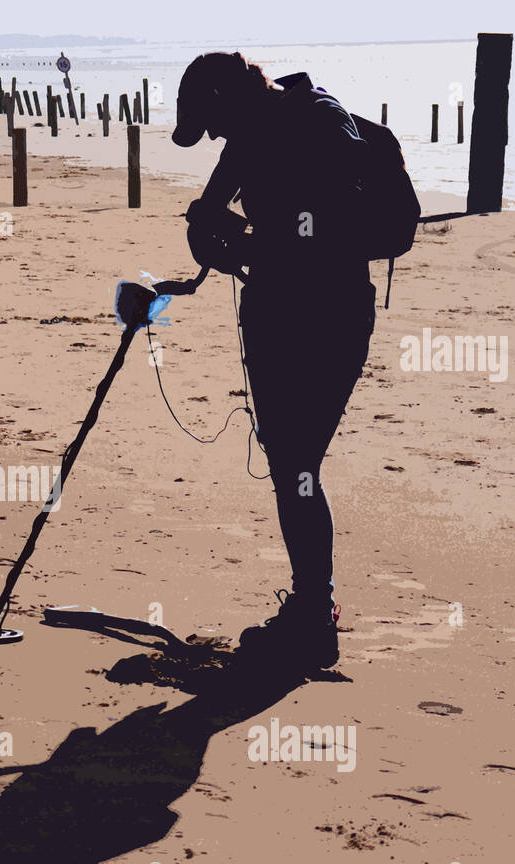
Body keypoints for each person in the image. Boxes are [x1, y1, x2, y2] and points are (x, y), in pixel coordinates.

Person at [171, 52, 376, 672]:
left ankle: (316, 616)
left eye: (214, 122)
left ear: (230, 99)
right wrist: (209, 231)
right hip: (277, 311)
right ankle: (313, 610)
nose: (216, 139)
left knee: (296, 462)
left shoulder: (317, 122)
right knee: (292, 462)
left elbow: (328, 229)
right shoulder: (252, 131)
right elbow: (211, 212)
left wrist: (251, 242)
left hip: (327, 316)